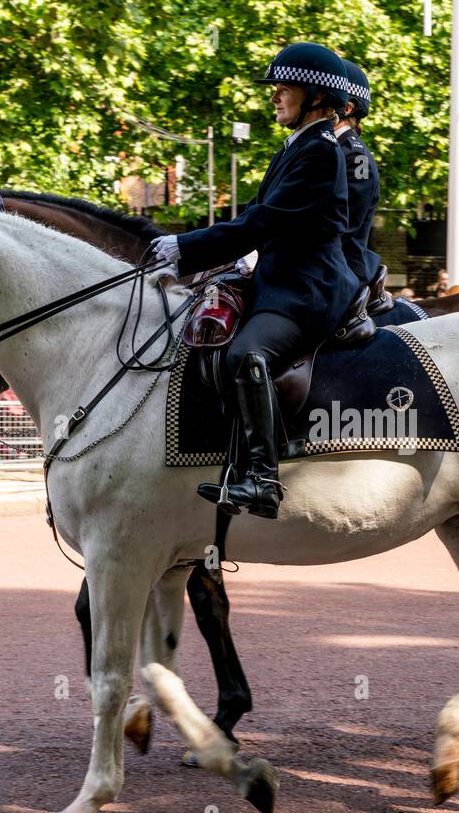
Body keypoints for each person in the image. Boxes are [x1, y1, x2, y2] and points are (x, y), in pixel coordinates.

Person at [147, 42, 357, 519]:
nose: (275, 95)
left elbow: (263, 221)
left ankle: (262, 479)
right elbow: (259, 221)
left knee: (247, 354)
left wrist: (186, 246)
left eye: (285, 88)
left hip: (307, 291)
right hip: (277, 283)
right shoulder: (298, 146)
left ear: (318, 97)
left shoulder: (321, 153)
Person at [333, 59, 384, 303]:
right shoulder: (325, 149)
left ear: (348, 108)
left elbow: (343, 227)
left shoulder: (355, 157)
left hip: (340, 273)